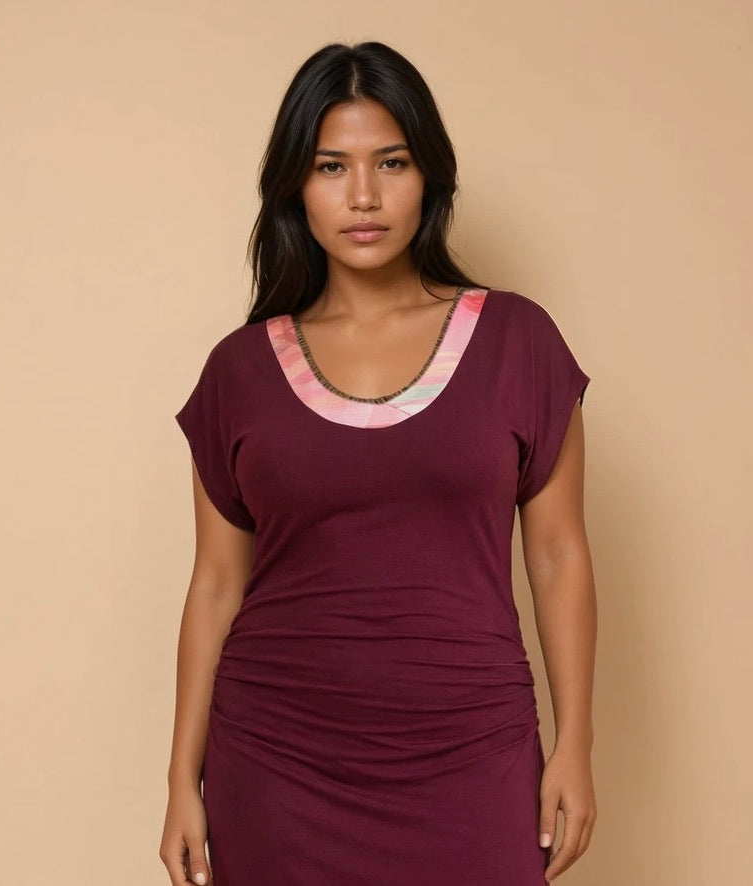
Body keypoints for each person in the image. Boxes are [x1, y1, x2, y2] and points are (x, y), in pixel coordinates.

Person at [159, 40, 597, 886]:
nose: (363, 195)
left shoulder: (519, 341)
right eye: (332, 166)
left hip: (474, 750)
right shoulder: (238, 371)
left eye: (391, 162)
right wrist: (182, 777)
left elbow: (558, 553)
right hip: (275, 762)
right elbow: (214, 585)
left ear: (429, 175)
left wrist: (575, 743)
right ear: (295, 184)